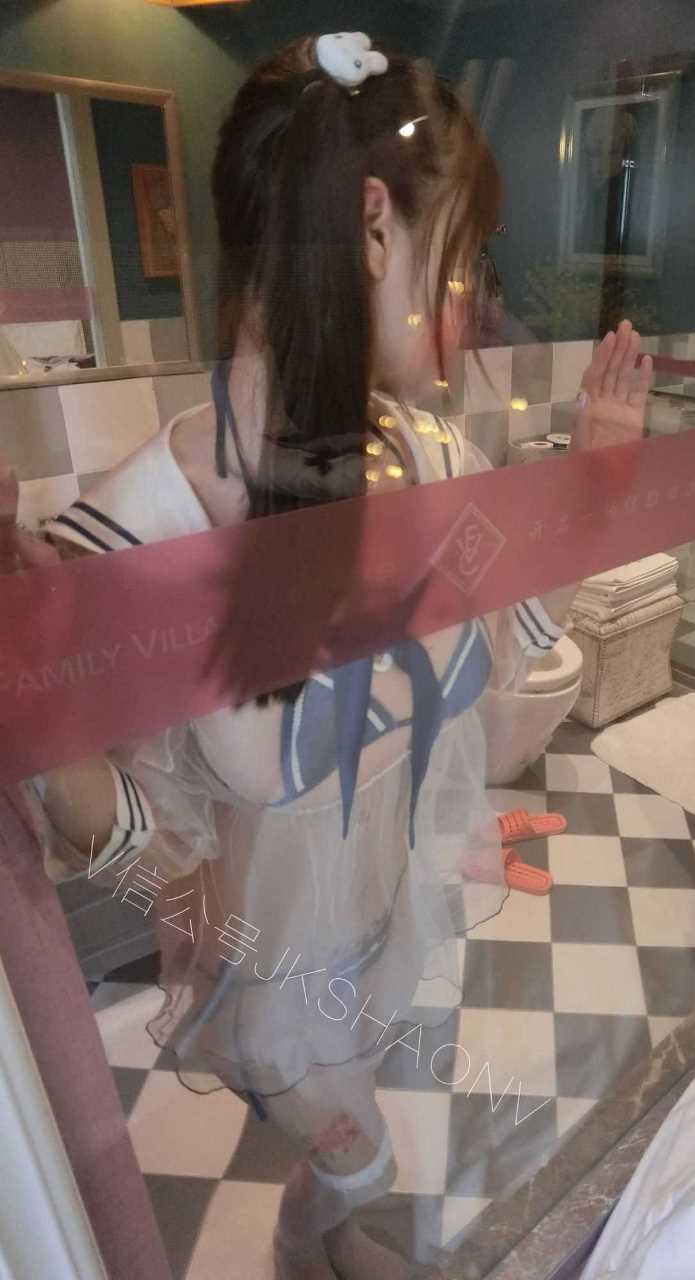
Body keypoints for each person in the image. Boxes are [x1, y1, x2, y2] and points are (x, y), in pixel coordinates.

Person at [7, 32, 651, 1280]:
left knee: (355, 1148)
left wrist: (595, 488)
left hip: (386, 918)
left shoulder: (429, 455)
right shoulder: (151, 522)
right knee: (359, 1156)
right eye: (457, 259)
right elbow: (101, 825)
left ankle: (323, 1238)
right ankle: (321, 1237)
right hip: (266, 970)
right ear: (369, 226)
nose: (474, 301)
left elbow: (514, 645)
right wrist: (29, 667)